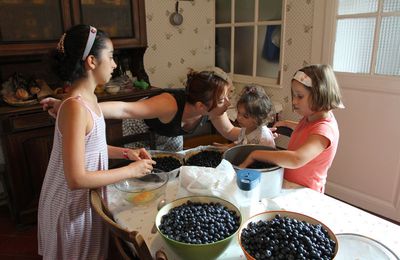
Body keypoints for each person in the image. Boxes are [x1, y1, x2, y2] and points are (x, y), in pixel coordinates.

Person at [37, 24, 155, 259]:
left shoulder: (89, 99)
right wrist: (131, 171)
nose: (114, 64)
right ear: (91, 61)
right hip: (69, 208)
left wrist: (126, 154)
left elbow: (92, 148)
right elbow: (76, 178)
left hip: (85, 204)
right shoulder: (75, 107)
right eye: (110, 57)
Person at [41, 67, 242, 151]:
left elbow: (230, 132)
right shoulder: (168, 104)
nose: (228, 103)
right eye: (223, 99)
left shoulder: (213, 110)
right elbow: (124, 110)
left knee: (172, 167)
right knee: (144, 171)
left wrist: (258, 132)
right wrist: (71, 106)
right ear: (200, 106)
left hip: (168, 128)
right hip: (140, 121)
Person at [239, 64, 344, 193]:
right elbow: (308, 131)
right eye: (294, 96)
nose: (294, 101)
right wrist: (288, 123)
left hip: (305, 192)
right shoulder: (310, 118)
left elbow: (296, 159)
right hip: (289, 184)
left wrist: (256, 154)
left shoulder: (325, 130)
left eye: (300, 96)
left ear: (319, 95)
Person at [215, 85, 275, 149]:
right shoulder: (245, 128)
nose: (239, 117)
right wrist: (228, 146)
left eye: (245, 116)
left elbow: (266, 157)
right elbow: (241, 142)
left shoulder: (264, 137)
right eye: (238, 112)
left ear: (258, 118)